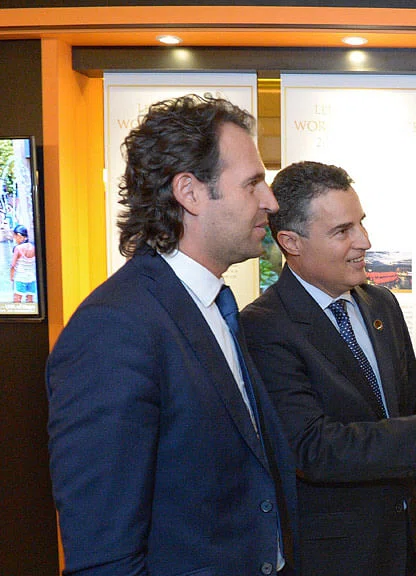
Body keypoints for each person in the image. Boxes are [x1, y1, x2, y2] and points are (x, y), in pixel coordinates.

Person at [46, 95, 297, 575]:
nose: (271, 201)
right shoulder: (114, 328)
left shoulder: (212, 306)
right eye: (252, 183)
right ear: (190, 192)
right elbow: (104, 555)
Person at [239, 161, 416, 576]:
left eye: (361, 223)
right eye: (343, 231)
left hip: (403, 544)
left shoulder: (381, 304)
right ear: (291, 242)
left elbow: (408, 407)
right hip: (335, 555)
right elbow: (312, 447)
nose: (365, 241)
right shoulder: (264, 326)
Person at [10, 224, 36, 303]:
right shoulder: (33, 247)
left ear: (19, 235)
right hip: (31, 278)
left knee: (17, 300)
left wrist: (11, 277)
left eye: (15, 236)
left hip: (20, 278)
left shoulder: (18, 248)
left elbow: (13, 265)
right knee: (30, 300)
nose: (14, 239)